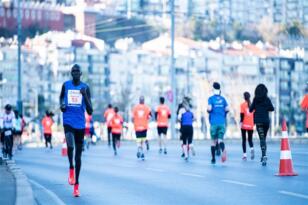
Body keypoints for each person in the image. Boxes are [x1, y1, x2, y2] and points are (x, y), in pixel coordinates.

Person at [59, 64, 93, 197]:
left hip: (80, 124)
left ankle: (76, 185)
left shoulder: (85, 87)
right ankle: (70, 167)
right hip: (68, 121)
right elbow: (61, 97)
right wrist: (62, 104)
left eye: (77, 71)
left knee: (78, 156)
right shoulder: (66, 85)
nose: (75, 73)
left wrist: (84, 95)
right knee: (70, 146)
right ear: (71, 73)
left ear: (81, 74)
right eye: (73, 71)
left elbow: (90, 110)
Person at [249, 84, 274, 166]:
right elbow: (272, 108)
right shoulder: (267, 99)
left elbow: (250, 110)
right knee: (264, 139)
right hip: (266, 122)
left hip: (259, 122)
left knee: (262, 138)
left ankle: (264, 155)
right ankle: (263, 155)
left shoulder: (255, 99)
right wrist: (266, 108)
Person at [207, 82, 229, 164]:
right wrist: (223, 115)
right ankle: (223, 150)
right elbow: (227, 109)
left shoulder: (211, 99)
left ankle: (213, 159)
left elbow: (209, 109)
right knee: (220, 140)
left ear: (213, 89)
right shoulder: (223, 99)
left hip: (214, 123)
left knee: (213, 141)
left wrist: (209, 111)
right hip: (222, 122)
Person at [132, 96, 151, 160]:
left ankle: (139, 150)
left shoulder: (135, 108)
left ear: (139, 100)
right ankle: (142, 152)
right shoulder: (147, 108)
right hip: (144, 126)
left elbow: (132, 117)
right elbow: (149, 117)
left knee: (138, 140)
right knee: (142, 140)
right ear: (144, 101)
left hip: (137, 126)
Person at [240, 92, 255, 160]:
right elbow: (254, 115)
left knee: (244, 140)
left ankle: (245, 155)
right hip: (250, 124)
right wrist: (253, 123)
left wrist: (241, 122)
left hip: (244, 124)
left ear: (244, 97)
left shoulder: (242, 105)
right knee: (250, 139)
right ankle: (252, 149)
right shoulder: (253, 105)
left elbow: (242, 115)